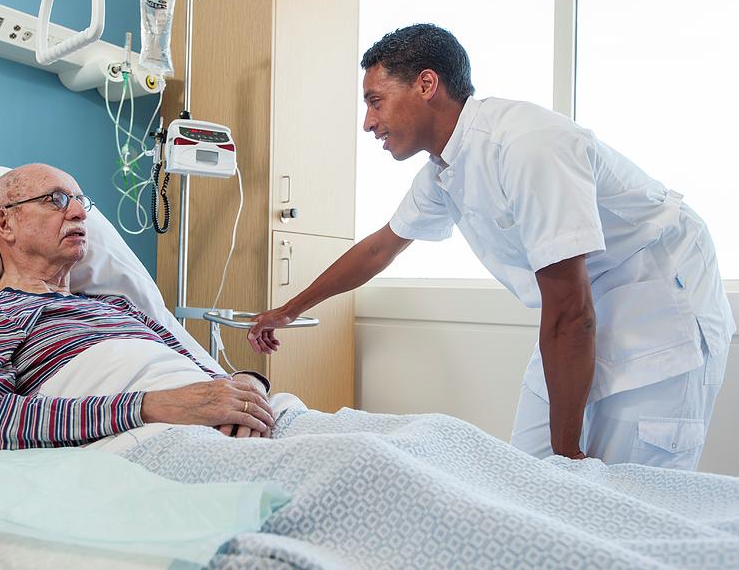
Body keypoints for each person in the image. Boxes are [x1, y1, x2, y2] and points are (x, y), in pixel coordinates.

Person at [247, 23, 735, 470]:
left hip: (660, 292)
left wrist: (568, 457)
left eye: (375, 101)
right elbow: (379, 249)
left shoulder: (526, 145)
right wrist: (289, 309)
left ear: (425, 84)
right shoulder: (445, 170)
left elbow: (571, 311)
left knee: (631, 487)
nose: (368, 122)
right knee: (528, 471)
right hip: (586, 301)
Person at [0, 163, 274, 450]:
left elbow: (209, 383)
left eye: (80, 201)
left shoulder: (117, 306)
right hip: (155, 439)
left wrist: (250, 385)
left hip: (241, 425)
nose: (80, 212)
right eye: (57, 200)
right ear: (6, 223)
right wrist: (153, 405)